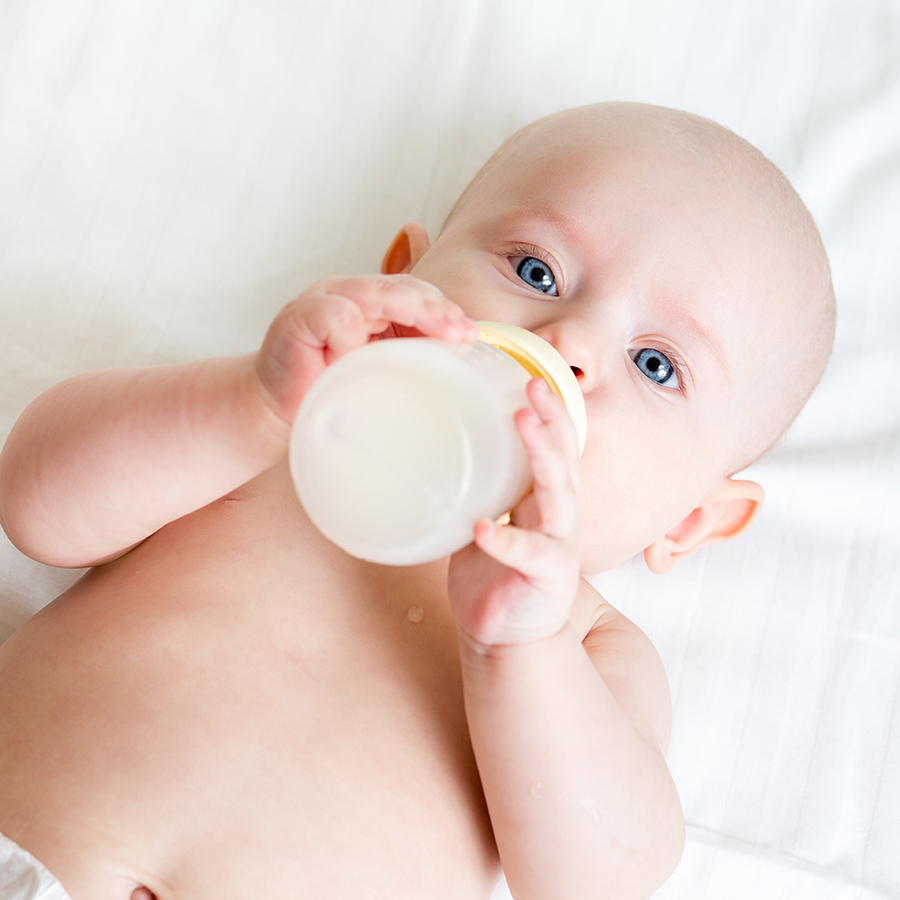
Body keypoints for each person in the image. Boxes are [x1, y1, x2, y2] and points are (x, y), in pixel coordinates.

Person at [0, 101, 835, 900]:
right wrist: (244, 406)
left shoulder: (583, 642)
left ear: (690, 520)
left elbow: (602, 877)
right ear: (401, 277)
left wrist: (523, 652)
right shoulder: (264, 445)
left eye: (657, 364)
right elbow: (34, 502)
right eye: (536, 270)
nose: (568, 344)